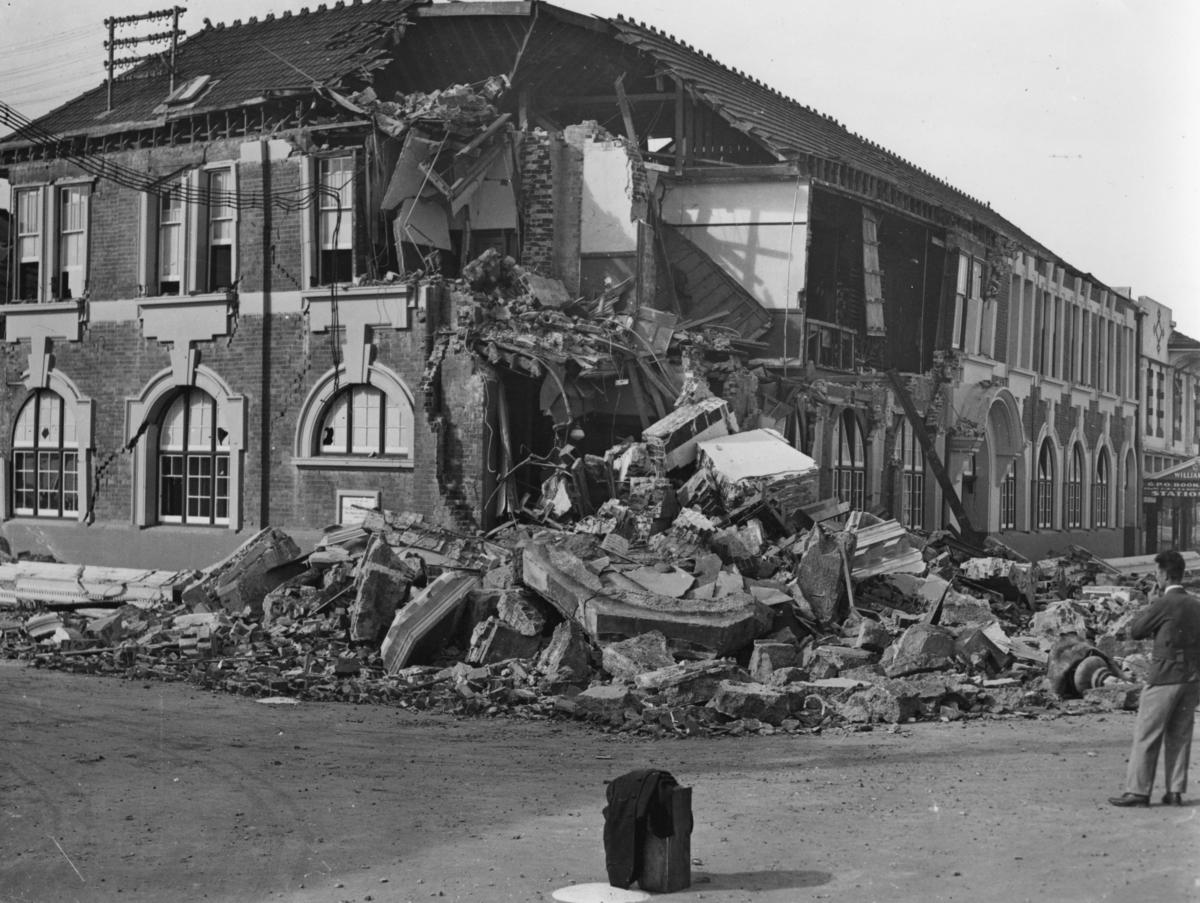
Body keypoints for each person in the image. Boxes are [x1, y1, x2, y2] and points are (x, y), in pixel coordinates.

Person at [1109, 549, 1200, 807]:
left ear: (1164, 574)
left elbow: (1136, 631)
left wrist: (1151, 603)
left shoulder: (1163, 603)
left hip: (1165, 676)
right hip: (1192, 678)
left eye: (1157, 572)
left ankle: (1138, 791)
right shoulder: (1196, 604)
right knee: (1180, 734)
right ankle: (1175, 791)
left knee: (1147, 733)